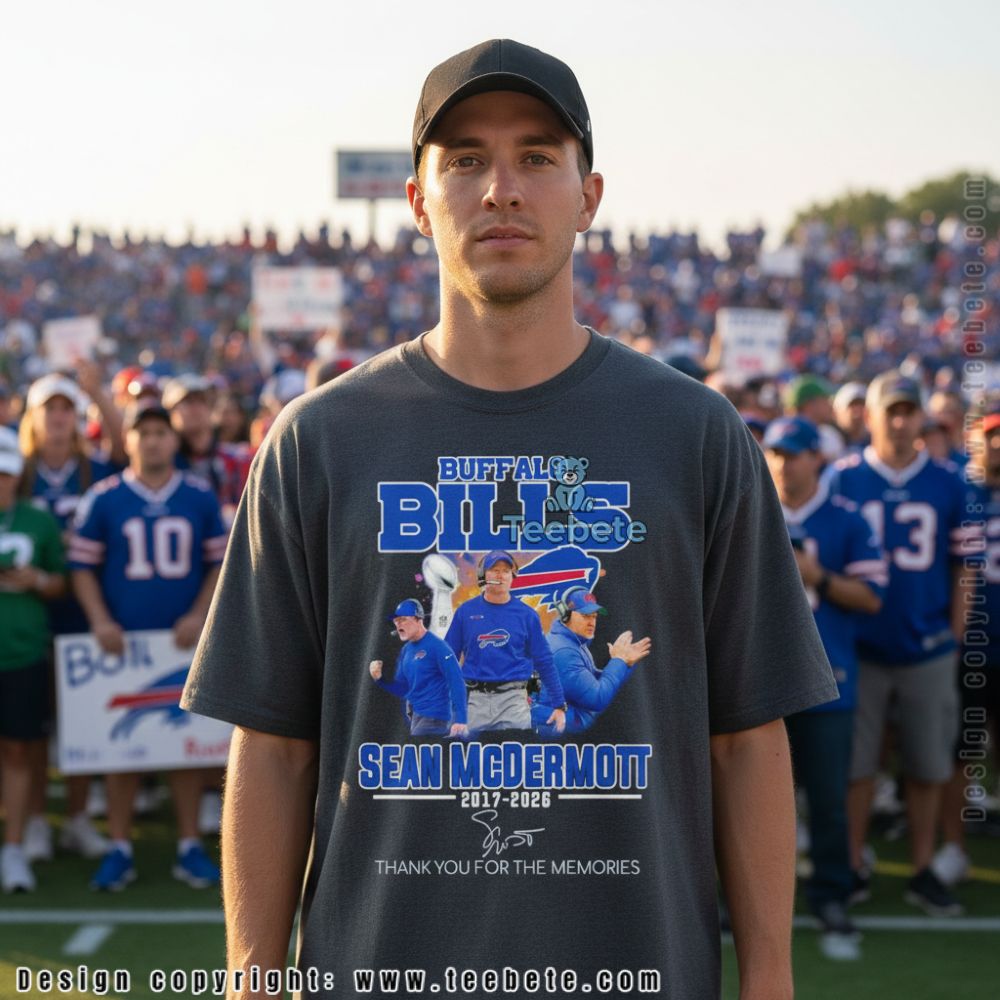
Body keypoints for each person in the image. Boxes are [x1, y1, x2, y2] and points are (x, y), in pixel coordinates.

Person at [182, 39, 835, 1000]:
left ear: (590, 195)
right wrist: (249, 974)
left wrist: (771, 976)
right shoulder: (317, 438)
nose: (501, 189)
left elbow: (747, 736)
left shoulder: (696, 432)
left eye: (536, 155)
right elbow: (273, 742)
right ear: (418, 200)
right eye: (464, 159)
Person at [830, 371, 978, 916]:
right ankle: (851, 865)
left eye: (906, 410)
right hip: (860, 647)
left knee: (926, 766)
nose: (898, 420)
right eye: (889, 410)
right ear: (869, 415)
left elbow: (964, 567)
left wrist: (955, 637)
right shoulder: (843, 479)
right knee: (856, 767)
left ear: (920, 417)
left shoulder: (948, 481)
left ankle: (922, 867)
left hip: (927, 646)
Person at [69, 400, 228, 891]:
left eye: (162, 431)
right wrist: (99, 620)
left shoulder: (199, 496)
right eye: (145, 432)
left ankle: (187, 845)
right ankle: (119, 845)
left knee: (182, 746)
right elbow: (82, 567)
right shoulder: (104, 497)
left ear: (173, 440)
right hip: (124, 643)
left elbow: (219, 564)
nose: (153, 439)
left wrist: (200, 613)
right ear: (129, 440)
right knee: (122, 749)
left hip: (181, 642)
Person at [763, 416, 886, 957]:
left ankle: (831, 892)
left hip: (828, 677)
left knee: (828, 800)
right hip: (757, 677)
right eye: (777, 452)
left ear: (818, 458)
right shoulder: (749, 509)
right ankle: (735, 897)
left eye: (796, 453)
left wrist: (819, 577)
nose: (785, 463)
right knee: (746, 796)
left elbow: (872, 597)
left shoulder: (847, 519)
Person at [17, 371, 120, 862]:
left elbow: (126, 450)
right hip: (30, 613)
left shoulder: (94, 469)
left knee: (82, 723)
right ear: (32, 418)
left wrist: (99, 393)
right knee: (33, 726)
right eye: (49, 409)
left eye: (66, 409)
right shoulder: (17, 471)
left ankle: (78, 817)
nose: (58, 418)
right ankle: (35, 817)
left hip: (85, 609)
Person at [0, 427, 66, 892]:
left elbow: (62, 583)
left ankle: (14, 847)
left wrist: (36, 580)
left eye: (5, 473)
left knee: (20, 750)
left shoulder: (38, 520)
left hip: (22, 651)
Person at [444, 550, 566, 734]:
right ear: (483, 575)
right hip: (475, 702)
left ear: (512, 577)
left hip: (514, 701)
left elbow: (544, 661)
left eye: (506, 571)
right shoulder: (466, 612)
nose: (500, 575)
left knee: (515, 759)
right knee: (475, 759)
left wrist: (559, 705)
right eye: (494, 569)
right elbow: (447, 657)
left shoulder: (527, 616)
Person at [531, 586, 650, 735]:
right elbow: (597, 698)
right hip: (550, 732)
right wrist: (618, 661)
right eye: (585, 615)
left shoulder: (573, 643)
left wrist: (625, 663)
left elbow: (593, 681)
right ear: (565, 615)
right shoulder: (564, 652)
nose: (592, 622)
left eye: (594, 616)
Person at [368, 598, 468, 737]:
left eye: (403, 619)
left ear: (418, 619)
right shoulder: (406, 650)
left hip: (436, 718)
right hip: (417, 716)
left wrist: (461, 719)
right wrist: (380, 679)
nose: (398, 625)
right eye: (396, 621)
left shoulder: (438, 647)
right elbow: (404, 689)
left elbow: (456, 681)